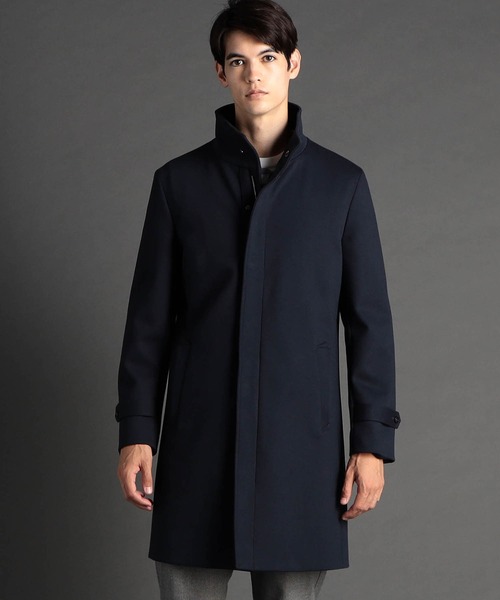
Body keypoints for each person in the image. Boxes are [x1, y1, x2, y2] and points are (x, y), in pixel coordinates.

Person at [115, 1, 401, 598]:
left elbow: (369, 322)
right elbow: (148, 321)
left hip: (301, 448)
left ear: (293, 64)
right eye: (238, 61)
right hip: (199, 439)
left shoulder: (341, 185)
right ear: (220, 73)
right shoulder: (178, 184)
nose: (254, 75)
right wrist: (138, 430)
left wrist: (372, 441)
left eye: (268, 58)